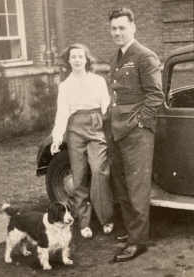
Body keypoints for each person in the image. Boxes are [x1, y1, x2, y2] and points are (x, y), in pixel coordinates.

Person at [103, 8, 164, 261]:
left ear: (133, 28)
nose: (117, 32)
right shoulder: (116, 57)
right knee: (122, 185)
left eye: (122, 28)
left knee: (137, 188)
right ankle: (131, 231)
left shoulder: (144, 56)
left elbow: (155, 95)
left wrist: (140, 123)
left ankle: (138, 242)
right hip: (117, 130)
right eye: (114, 28)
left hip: (136, 132)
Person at [50, 43, 114, 238]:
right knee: (79, 177)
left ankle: (106, 218)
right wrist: (56, 137)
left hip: (96, 125)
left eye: (80, 56)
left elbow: (107, 108)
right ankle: (84, 223)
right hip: (75, 128)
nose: (77, 60)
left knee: (99, 171)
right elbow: (62, 113)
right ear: (68, 61)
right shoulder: (65, 86)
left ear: (87, 59)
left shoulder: (98, 81)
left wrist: (109, 131)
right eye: (73, 57)